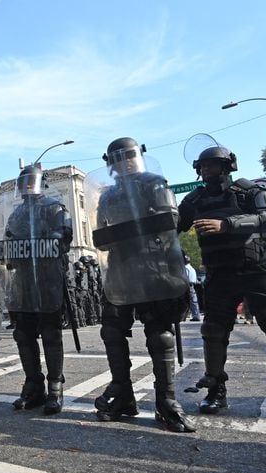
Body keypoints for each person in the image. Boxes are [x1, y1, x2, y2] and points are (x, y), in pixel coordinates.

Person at [178, 136, 266, 419]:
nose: (208, 170)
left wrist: (227, 224)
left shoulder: (248, 191)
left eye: (214, 165)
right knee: (213, 332)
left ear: (227, 165)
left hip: (257, 269)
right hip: (220, 274)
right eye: (204, 166)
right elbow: (173, 225)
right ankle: (216, 390)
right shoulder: (194, 200)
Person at [90, 137, 195, 432]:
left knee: (159, 333)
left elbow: (171, 220)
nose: (123, 162)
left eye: (127, 156)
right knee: (111, 329)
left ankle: (167, 401)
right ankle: (123, 394)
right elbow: (102, 231)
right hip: (121, 266)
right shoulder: (108, 196)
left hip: (152, 263)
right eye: (117, 158)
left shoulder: (154, 183)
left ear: (137, 157)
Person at [0, 163, 73, 415]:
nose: (27, 186)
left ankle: (55, 388)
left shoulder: (55, 208)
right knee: (23, 335)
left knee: (51, 334)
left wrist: (54, 237)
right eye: (23, 183)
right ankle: (33, 384)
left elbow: (65, 236)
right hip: (23, 283)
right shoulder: (16, 215)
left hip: (48, 279)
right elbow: (8, 244)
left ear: (41, 183)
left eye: (31, 181)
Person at [184, 255, 202, 322]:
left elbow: (185, 278)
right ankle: (196, 315)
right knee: (194, 301)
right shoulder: (192, 268)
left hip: (186, 286)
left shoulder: (185, 268)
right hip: (192, 285)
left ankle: (186, 315)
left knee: (186, 301)